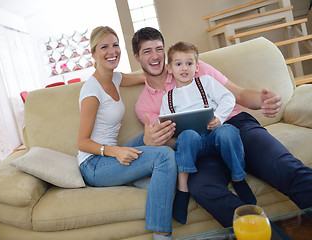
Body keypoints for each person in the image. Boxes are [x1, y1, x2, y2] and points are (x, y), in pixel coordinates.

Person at [132, 27, 312, 227]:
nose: (155, 56)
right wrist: (155, 142)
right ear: (136, 57)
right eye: (147, 51)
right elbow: (170, 139)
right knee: (202, 188)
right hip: (200, 147)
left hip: (235, 126)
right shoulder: (144, 105)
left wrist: (262, 100)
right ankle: (255, 229)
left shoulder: (192, 66)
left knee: (285, 167)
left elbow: (238, 94)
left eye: (158, 49)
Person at [77, 26, 177, 240]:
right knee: (164, 155)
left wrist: (174, 69)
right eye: (104, 47)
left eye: (115, 45)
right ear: (93, 54)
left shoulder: (114, 78)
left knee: (156, 134)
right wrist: (115, 152)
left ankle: (138, 176)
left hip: (109, 156)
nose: (112, 51)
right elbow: (82, 142)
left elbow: (144, 76)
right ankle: (161, 234)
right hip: (94, 164)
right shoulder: (91, 91)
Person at [160, 41, 255, 224]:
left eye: (189, 63)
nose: (184, 68)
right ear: (170, 69)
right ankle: (183, 189)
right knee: (187, 136)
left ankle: (239, 177)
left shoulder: (205, 82)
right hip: (193, 144)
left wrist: (219, 117)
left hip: (214, 135)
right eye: (178, 64)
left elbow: (228, 97)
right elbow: (165, 122)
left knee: (228, 131)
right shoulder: (168, 98)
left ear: (197, 66)